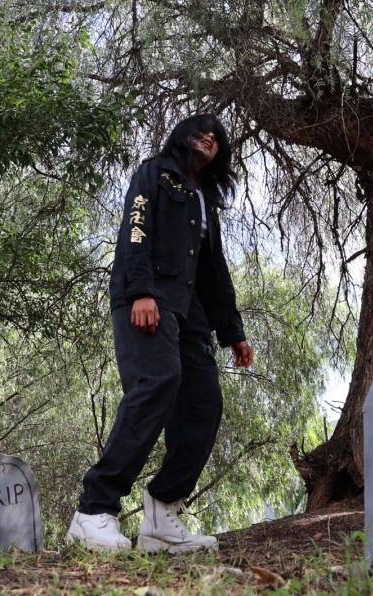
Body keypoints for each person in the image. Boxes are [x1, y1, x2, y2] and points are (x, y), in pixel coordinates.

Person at [66, 114, 254, 553]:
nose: (209, 136)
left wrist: (232, 332)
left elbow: (214, 272)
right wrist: (141, 292)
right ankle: (94, 509)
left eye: (217, 135)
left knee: (204, 403)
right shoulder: (155, 173)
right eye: (200, 129)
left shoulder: (204, 197)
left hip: (190, 313)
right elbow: (135, 232)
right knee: (157, 383)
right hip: (148, 299)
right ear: (181, 137)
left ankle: (163, 515)